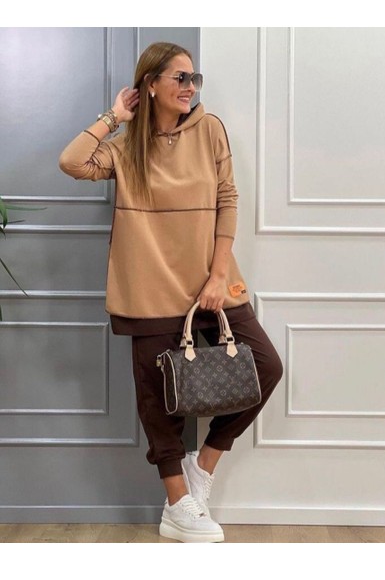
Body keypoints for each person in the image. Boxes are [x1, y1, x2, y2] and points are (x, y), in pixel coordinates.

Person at [59, 41, 283, 543]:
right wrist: (113, 117)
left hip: (211, 283)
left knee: (266, 367)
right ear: (151, 84)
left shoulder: (210, 129)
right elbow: (71, 162)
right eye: (179, 78)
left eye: (193, 78)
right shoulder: (125, 146)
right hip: (148, 286)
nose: (189, 87)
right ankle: (178, 502)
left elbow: (227, 199)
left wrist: (218, 275)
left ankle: (201, 467)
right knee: (156, 398)